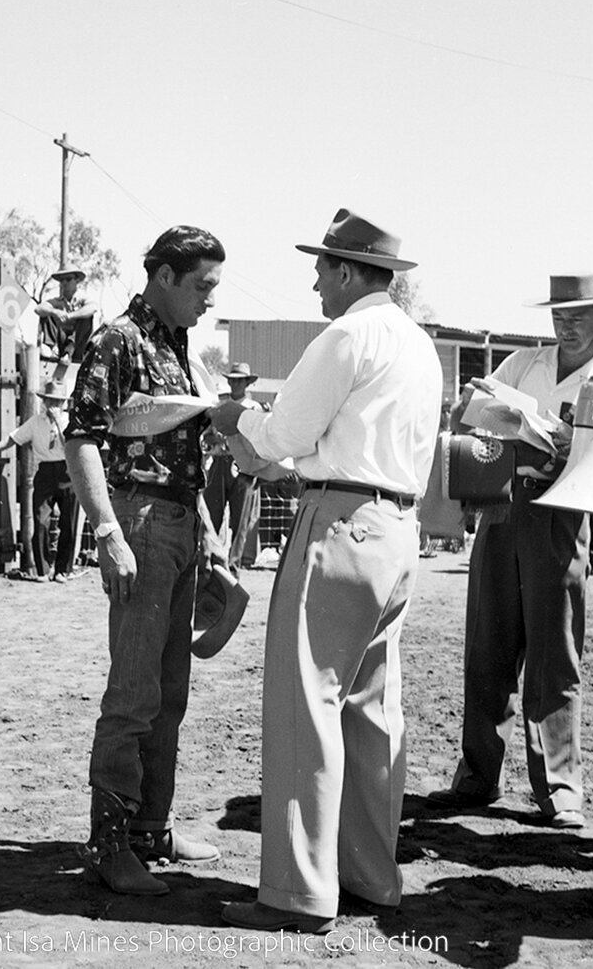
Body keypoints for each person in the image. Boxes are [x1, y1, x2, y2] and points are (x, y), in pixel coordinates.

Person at [211, 208, 442, 933]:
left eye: (321, 267)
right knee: (372, 711)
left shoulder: (346, 333)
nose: (314, 279)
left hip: (338, 521)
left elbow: (282, 435)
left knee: (304, 704)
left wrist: (233, 419)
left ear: (346, 271)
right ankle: (371, 876)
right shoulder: (419, 345)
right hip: (395, 528)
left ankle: (298, 891)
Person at [428, 273, 593, 830]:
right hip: (503, 505)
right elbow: (473, 407)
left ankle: (559, 788)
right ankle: (477, 776)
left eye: (578, 317)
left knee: (555, 653)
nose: (566, 327)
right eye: (559, 317)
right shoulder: (523, 363)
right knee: (487, 646)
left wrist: (575, 447)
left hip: (562, 516)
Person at [64, 225, 225, 897]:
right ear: (162, 276)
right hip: (140, 522)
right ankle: (109, 842)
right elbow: (81, 436)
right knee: (133, 692)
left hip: (181, 523)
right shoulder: (116, 340)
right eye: (200, 286)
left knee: (170, 693)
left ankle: (150, 826)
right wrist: (106, 529)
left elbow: (185, 449)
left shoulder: (177, 344)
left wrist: (209, 530)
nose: (208, 301)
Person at [0, 379, 79, 582]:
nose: (53, 406)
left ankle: (63, 570)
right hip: (45, 471)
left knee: (69, 522)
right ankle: (42, 569)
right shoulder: (35, 421)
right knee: (41, 520)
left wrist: (59, 424)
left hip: (68, 470)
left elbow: (70, 445)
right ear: (44, 401)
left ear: (63, 404)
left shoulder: (69, 421)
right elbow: (13, 438)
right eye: (50, 401)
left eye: (57, 402)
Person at [202, 361, 265, 574]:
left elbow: (259, 440)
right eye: (233, 380)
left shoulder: (254, 409)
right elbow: (207, 435)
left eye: (240, 381)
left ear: (247, 383)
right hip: (221, 461)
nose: (236, 384)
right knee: (211, 514)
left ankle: (233, 565)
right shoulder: (220, 407)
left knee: (241, 520)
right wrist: (215, 437)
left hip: (244, 466)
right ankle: (209, 560)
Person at [35, 266, 98, 375]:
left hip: (80, 348)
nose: (64, 283)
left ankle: (69, 352)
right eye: (62, 280)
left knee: (86, 318)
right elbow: (38, 309)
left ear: (76, 280)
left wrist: (70, 316)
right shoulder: (58, 302)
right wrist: (55, 312)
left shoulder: (83, 299)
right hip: (61, 345)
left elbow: (93, 308)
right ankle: (49, 349)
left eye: (68, 279)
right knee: (49, 311)